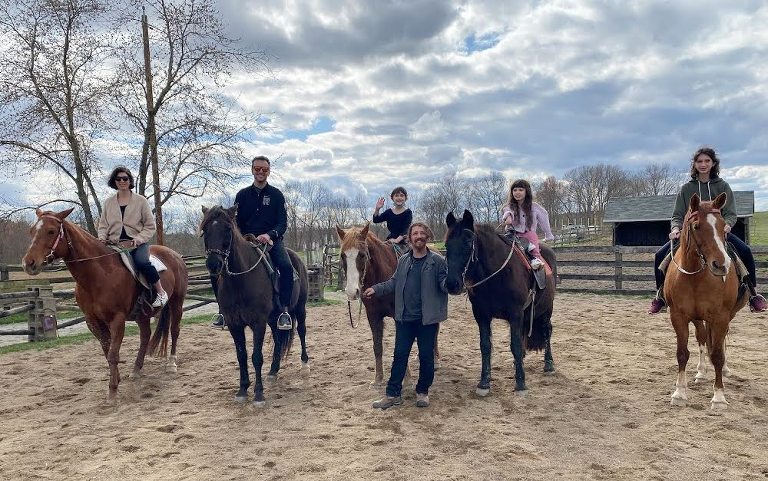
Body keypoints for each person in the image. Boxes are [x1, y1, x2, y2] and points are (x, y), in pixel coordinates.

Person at [649, 146, 768, 314]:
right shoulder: (686, 189)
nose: (703, 164)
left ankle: (753, 295)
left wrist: (727, 225)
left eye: (707, 161)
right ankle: (660, 296)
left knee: (745, 251)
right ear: (695, 164)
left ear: (713, 164)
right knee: (660, 255)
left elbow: (731, 213)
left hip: (717, 233)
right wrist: (675, 228)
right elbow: (677, 214)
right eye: (699, 161)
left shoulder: (723, 186)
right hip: (692, 234)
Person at [364, 222, 448, 409]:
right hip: (405, 317)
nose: (418, 236)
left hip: (427, 318)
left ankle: (422, 392)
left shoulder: (438, 261)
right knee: (399, 356)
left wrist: (451, 284)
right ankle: (392, 394)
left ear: (427, 236)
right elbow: (393, 282)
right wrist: (375, 289)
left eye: (422, 233)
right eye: (415, 233)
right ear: (409, 238)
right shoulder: (403, 260)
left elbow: (444, 284)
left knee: (426, 357)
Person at [232, 155, 294, 330]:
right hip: (246, 241)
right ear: (252, 170)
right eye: (257, 169)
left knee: (286, 267)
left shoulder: (276, 195)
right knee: (221, 267)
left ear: (269, 171)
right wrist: (243, 238)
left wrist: (270, 234)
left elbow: (283, 222)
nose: (260, 172)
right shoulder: (241, 196)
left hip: (272, 241)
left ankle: (284, 310)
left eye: (264, 169)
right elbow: (235, 222)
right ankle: (224, 311)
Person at [97, 166, 169, 308]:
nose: (122, 181)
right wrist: (101, 237)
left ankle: (160, 292)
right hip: (114, 244)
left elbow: (150, 226)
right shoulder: (108, 203)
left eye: (125, 178)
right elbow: (103, 225)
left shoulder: (141, 201)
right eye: (119, 179)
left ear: (130, 180)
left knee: (142, 262)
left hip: (136, 244)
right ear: (114, 182)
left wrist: (139, 239)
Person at [501, 179, 555, 269]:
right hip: (512, 234)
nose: (517, 192)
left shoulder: (535, 207)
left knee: (533, 245)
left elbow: (544, 217)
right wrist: (508, 218)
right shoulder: (508, 206)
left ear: (527, 191)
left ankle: (536, 261)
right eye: (515, 190)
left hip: (528, 234)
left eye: (521, 190)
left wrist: (548, 234)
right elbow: (508, 213)